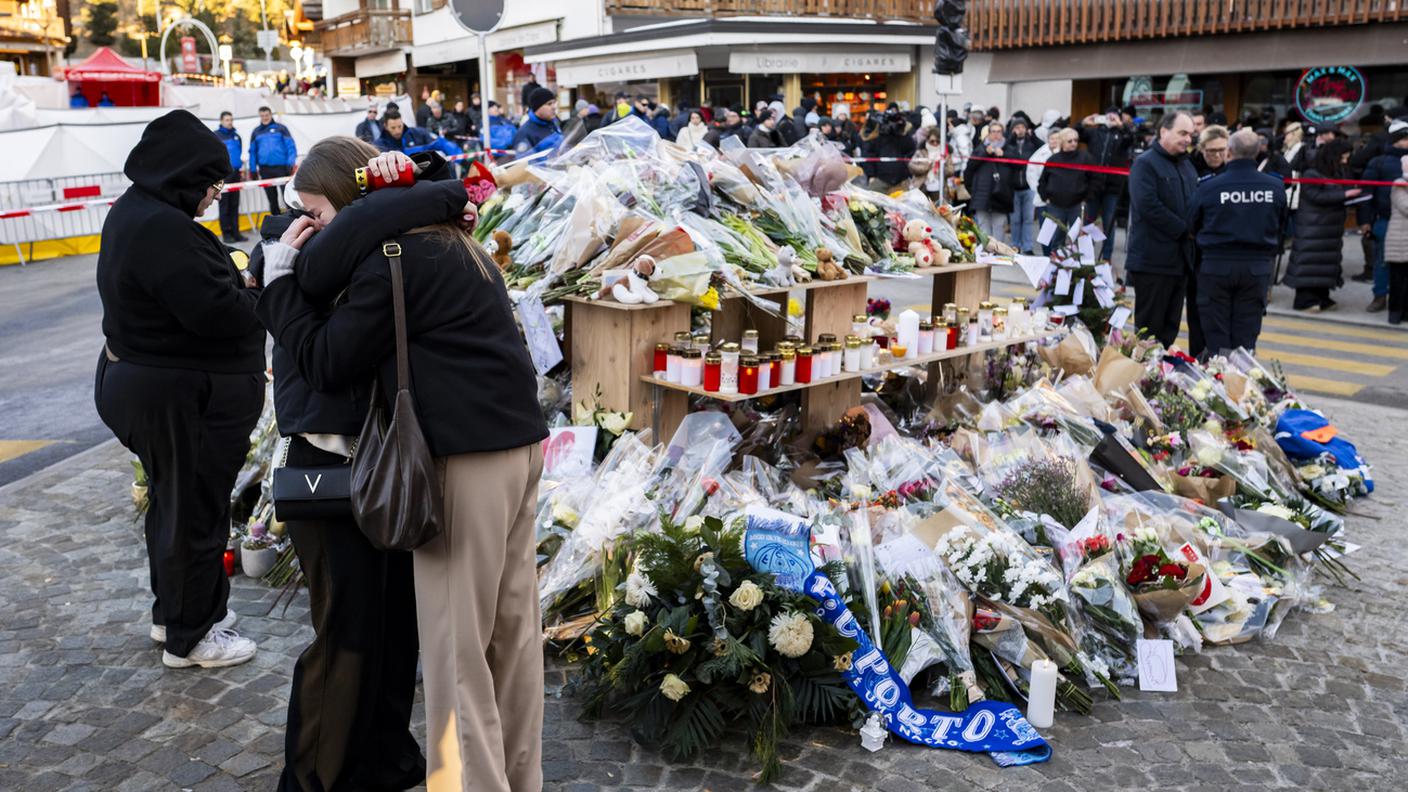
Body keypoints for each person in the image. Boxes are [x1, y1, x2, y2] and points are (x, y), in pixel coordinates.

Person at [256, 135, 549, 792]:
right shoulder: (449, 237)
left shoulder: (391, 255)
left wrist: (278, 286)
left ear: (355, 205)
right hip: (520, 445)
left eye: (317, 216)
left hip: (466, 459)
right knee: (512, 638)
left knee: (455, 655)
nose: (306, 231)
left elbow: (328, 360)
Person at [94, 110, 265, 669]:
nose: (215, 196)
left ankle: (177, 612)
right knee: (194, 510)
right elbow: (218, 314)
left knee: (173, 505)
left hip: (149, 384)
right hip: (172, 395)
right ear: (183, 176)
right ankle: (192, 637)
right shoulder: (162, 228)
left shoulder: (140, 211)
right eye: (211, 185)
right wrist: (256, 289)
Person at [1188, 129, 1287, 355]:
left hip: (1216, 268)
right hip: (1257, 268)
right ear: (1257, 152)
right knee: (1246, 337)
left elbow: (1191, 225)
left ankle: (1220, 382)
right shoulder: (1275, 187)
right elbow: (1281, 226)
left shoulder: (1209, 186)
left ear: (1229, 152)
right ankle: (1242, 383)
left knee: (1217, 338)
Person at [1126, 110, 1198, 348]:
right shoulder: (1145, 164)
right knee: (1148, 332)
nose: (1188, 139)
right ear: (1164, 131)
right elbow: (1148, 206)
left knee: (1169, 328)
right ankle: (1141, 378)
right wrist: (1185, 229)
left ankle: (1159, 380)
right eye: (1183, 133)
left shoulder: (1187, 166)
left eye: (1191, 134)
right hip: (1152, 262)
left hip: (1179, 262)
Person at [1283, 139, 1360, 312]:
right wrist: (1345, 194)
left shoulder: (1336, 172)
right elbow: (1316, 196)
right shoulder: (1311, 173)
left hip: (1329, 228)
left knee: (1325, 265)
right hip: (1313, 227)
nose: (1345, 161)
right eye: (1342, 158)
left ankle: (1322, 296)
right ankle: (1305, 300)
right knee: (1310, 263)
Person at [1360, 120, 1408, 312]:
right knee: (1382, 261)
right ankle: (1380, 295)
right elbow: (1366, 193)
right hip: (1386, 220)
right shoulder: (1378, 162)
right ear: (1396, 141)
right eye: (1405, 139)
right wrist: (1364, 221)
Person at [1079, 107, 1136, 262]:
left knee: (1109, 223)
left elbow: (1131, 138)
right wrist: (1084, 122)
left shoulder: (1121, 134)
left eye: (1114, 117)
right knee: (1089, 221)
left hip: (1112, 187)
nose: (1111, 119)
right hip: (1093, 185)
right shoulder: (1095, 132)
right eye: (1108, 116)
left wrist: (1121, 125)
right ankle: (1086, 254)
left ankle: (1106, 256)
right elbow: (1076, 134)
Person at [1037, 128, 1095, 253]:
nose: (1073, 143)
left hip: (1077, 205)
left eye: (1076, 140)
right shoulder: (1053, 159)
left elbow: (1095, 180)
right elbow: (1042, 181)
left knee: (1078, 240)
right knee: (1057, 239)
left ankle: (1077, 269)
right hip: (1055, 205)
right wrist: (1045, 197)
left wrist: (1087, 198)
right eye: (1070, 141)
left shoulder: (1085, 158)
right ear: (1062, 142)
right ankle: (1056, 268)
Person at [963, 122, 1013, 240]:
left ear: (1003, 133)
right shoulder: (980, 149)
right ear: (988, 134)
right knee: (983, 228)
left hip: (1001, 195)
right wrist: (985, 153)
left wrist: (1004, 155)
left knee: (999, 227)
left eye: (999, 131)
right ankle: (986, 255)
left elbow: (1018, 165)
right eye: (993, 132)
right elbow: (970, 168)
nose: (996, 134)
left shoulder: (1008, 148)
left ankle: (998, 255)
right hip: (982, 195)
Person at [250, 106, 298, 215]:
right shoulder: (256, 132)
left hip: (281, 168)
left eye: (267, 115)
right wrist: (253, 169)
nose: (265, 118)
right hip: (265, 169)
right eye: (262, 116)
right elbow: (252, 152)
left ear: (271, 115)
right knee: (272, 199)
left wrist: (290, 163)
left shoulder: (281, 128)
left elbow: (291, 146)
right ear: (260, 116)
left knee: (287, 197)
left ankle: (292, 219)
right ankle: (276, 223)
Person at [1006, 118, 1041, 254]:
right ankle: (1015, 244)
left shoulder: (1031, 144)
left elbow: (1043, 148)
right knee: (1015, 219)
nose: (1020, 130)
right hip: (1013, 187)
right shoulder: (1010, 144)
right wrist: (1011, 137)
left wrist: (1033, 136)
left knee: (1028, 218)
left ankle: (1027, 246)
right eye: (1017, 127)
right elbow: (1004, 150)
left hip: (1028, 187)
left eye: (1022, 127)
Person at [864, 105, 917, 194]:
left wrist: (902, 130)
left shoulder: (903, 137)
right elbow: (868, 155)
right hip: (880, 180)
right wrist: (871, 175)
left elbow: (911, 150)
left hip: (901, 180)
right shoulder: (877, 137)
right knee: (873, 205)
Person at [214, 111, 245, 243]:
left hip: (236, 173)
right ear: (221, 121)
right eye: (227, 120)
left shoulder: (236, 136)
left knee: (234, 204)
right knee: (224, 204)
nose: (230, 122)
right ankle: (226, 234)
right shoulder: (216, 136)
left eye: (231, 120)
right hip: (223, 175)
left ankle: (236, 232)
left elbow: (239, 153)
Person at [1386, 154, 1408, 324]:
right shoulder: (1399, 183)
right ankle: (1395, 312)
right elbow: (1406, 207)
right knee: (1397, 279)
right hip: (1399, 239)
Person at [509, 86, 562, 156]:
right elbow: (526, 162)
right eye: (549, 104)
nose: (554, 107)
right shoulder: (524, 133)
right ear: (538, 107)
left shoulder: (554, 123)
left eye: (554, 103)